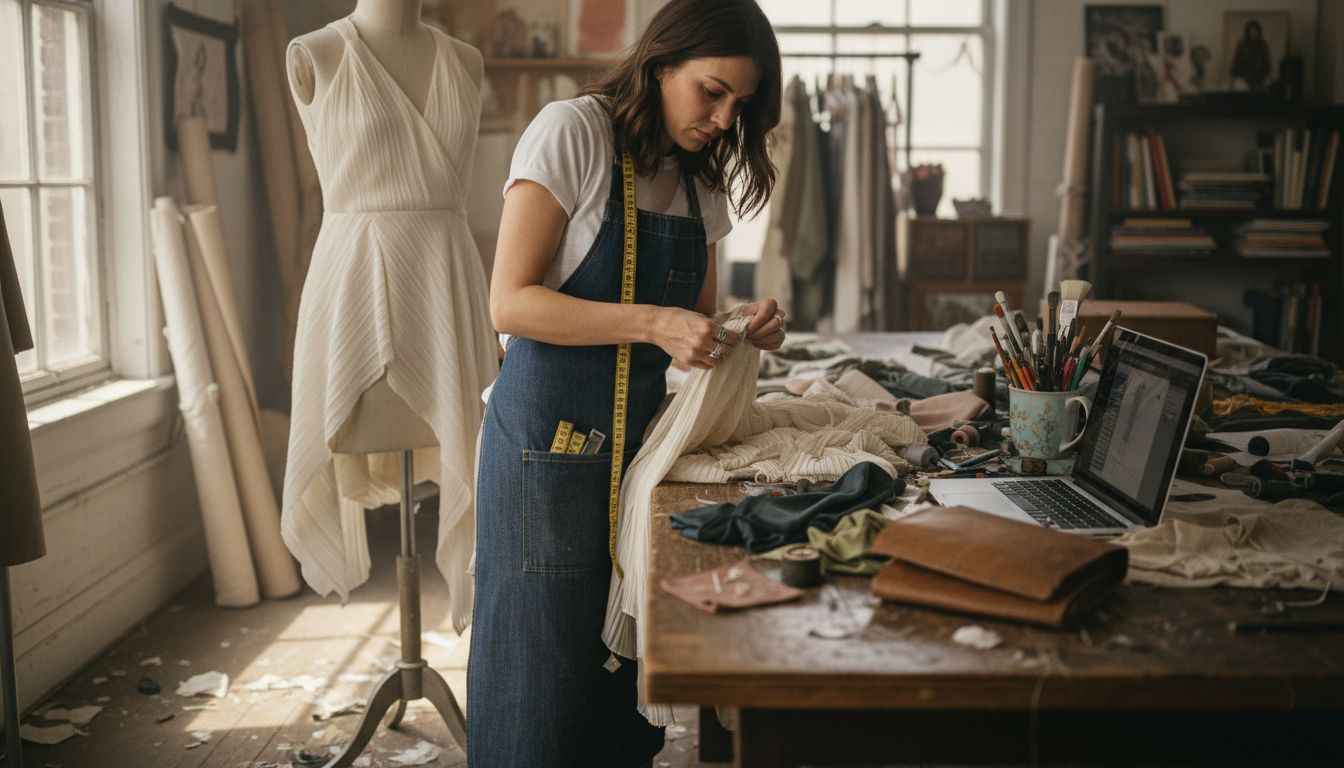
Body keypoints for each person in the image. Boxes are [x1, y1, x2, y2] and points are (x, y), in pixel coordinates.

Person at [468, 0, 784, 764]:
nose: (721, 117)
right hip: (547, 448)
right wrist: (653, 323)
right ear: (661, 61)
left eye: (739, 105)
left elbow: (691, 333)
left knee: (619, 691)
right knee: (539, 681)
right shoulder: (573, 131)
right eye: (711, 91)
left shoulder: (700, 180)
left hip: (641, 459)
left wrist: (738, 329)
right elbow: (509, 302)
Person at [1230, 18, 1272, 91]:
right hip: (1243, 76)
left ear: (1258, 31)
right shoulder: (1242, 45)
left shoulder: (1262, 45)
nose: (1253, 33)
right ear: (1248, 32)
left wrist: (1261, 75)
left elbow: (1266, 63)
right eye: (1251, 31)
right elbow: (1236, 63)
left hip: (1259, 77)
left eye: (1255, 31)